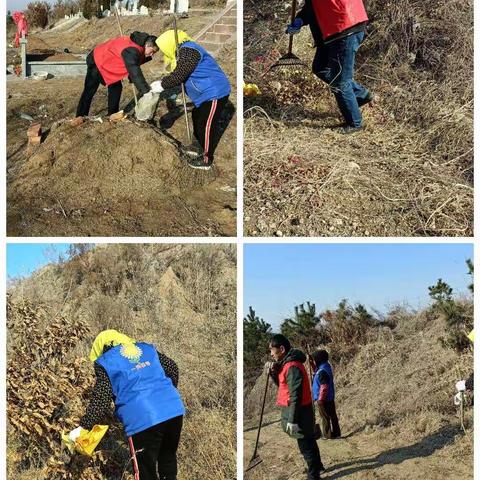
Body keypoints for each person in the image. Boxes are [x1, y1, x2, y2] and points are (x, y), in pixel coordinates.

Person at [67, 330, 185, 480]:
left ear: (101, 348)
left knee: (145, 471)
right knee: (167, 458)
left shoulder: (105, 362)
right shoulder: (146, 348)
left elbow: (101, 399)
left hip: (143, 419)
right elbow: (172, 367)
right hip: (174, 410)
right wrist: (166, 395)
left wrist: (83, 426)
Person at [286, 0, 371, 134]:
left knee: (340, 81)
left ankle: (355, 123)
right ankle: (360, 94)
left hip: (345, 27)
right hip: (332, 31)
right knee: (320, 67)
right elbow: (312, 7)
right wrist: (299, 20)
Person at [150, 29, 231, 170]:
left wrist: (162, 85)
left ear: (169, 43)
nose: (164, 52)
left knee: (206, 125)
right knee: (197, 116)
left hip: (214, 92)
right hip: (205, 94)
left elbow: (181, 74)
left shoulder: (189, 50)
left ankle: (207, 159)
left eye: (163, 48)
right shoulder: (183, 50)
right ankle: (197, 145)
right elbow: (179, 72)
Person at [266, 334, 325, 480]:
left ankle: (314, 475)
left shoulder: (292, 366)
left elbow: (295, 396)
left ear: (281, 349)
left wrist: (292, 420)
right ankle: (317, 466)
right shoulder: (286, 364)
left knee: (305, 444)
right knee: (309, 440)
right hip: (300, 409)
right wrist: (273, 373)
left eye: (272, 350)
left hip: (300, 411)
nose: (271, 354)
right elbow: (284, 386)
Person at [73, 32, 159, 123]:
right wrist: (145, 91)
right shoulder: (133, 50)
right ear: (147, 45)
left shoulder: (138, 46)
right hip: (98, 59)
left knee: (116, 88)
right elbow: (134, 69)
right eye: (152, 51)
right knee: (90, 89)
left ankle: (112, 115)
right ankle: (80, 116)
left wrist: (131, 76)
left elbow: (133, 65)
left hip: (110, 62)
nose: (152, 55)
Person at [311, 349, 341, 439]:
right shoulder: (326, 367)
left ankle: (327, 435)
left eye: (314, 359)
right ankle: (337, 434)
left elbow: (324, 386)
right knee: (333, 416)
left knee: (325, 417)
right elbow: (316, 369)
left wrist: (320, 399)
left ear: (318, 360)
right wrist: (312, 363)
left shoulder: (321, 372)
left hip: (323, 399)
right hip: (330, 397)